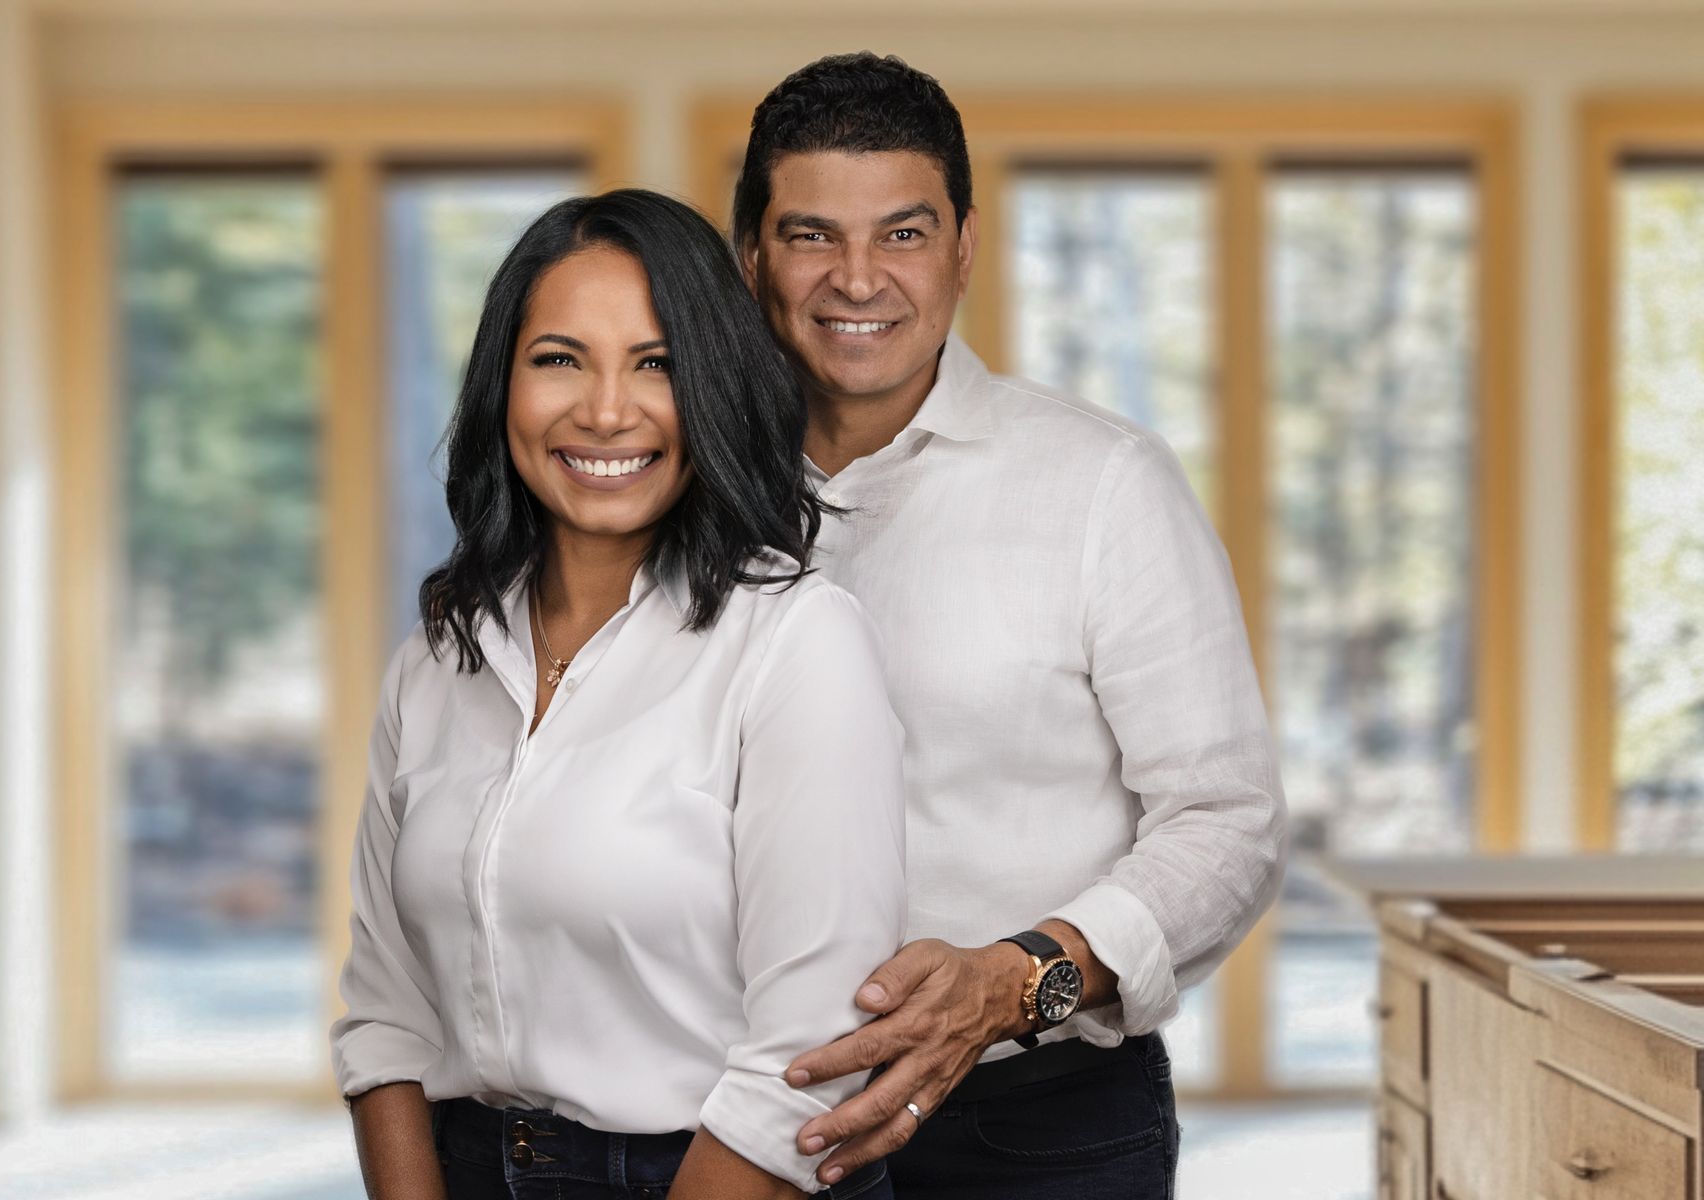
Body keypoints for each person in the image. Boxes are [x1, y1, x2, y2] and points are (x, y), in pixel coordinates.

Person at [730, 54, 1290, 1196]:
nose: (857, 279)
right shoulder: (683, 494)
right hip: (741, 1110)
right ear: (753, 255)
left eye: (902, 233)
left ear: (964, 248)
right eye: (810, 236)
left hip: (1036, 1130)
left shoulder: (1103, 483)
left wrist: (1013, 979)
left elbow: (1228, 822)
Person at [329, 189, 907, 1200]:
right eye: (559, 359)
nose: (605, 410)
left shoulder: (795, 642)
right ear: (501, 385)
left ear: (715, 392)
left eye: (657, 365)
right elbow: (386, 1014)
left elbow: (805, 1059)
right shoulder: (438, 656)